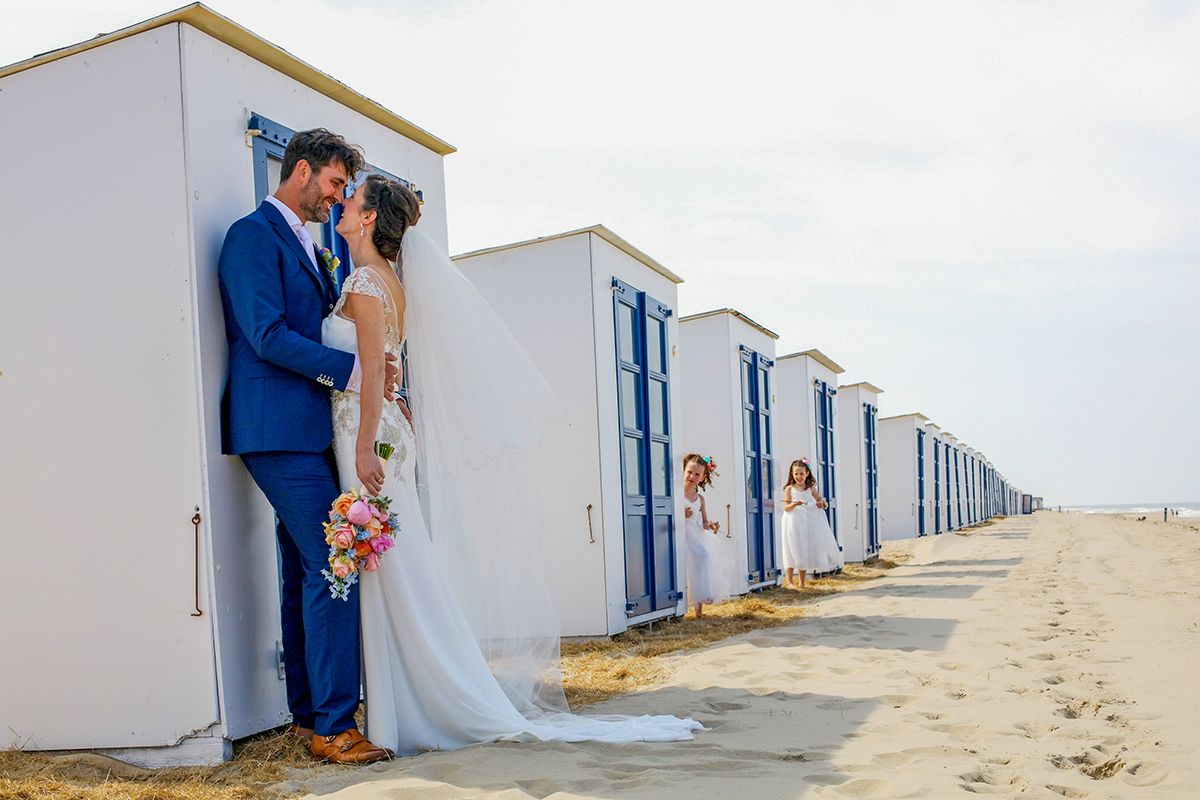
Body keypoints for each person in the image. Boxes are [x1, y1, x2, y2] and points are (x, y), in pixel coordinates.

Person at [322, 173, 703, 755]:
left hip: (369, 436)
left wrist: (364, 445)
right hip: (384, 431)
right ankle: (409, 699)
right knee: (399, 565)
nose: (343, 204)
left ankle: (422, 701)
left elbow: (374, 369)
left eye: (352, 199)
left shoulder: (368, 283)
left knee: (393, 568)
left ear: (370, 217)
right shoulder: (391, 282)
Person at [217, 129, 399, 764]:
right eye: (333, 182)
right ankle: (334, 725)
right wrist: (352, 372)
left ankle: (306, 717)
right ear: (301, 171)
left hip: (311, 429)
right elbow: (265, 336)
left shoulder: (313, 246)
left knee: (304, 568)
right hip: (273, 426)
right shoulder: (249, 237)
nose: (338, 195)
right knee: (333, 559)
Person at [780, 459, 842, 588]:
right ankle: (790, 581)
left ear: (807, 473)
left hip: (806, 522)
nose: (799, 477)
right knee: (791, 548)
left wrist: (822, 504)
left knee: (804, 547)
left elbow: (820, 501)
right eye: (796, 474)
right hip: (792, 522)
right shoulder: (789, 489)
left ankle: (802, 581)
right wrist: (794, 504)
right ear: (792, 474)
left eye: (801, 474)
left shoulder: (810, 488)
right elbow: (786, 507)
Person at [681, 454, 723, 618]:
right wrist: (679, 513)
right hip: (679, 534)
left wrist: (710, 524)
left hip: (695, 535)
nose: (692, 477)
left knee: (703, 558)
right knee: (684, 565)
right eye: (689, 472)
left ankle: (699, 608)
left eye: (697, 474)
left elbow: (704, 521)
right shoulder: (675, 493)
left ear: (703, 477)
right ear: (683, 471)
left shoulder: (700, 499)